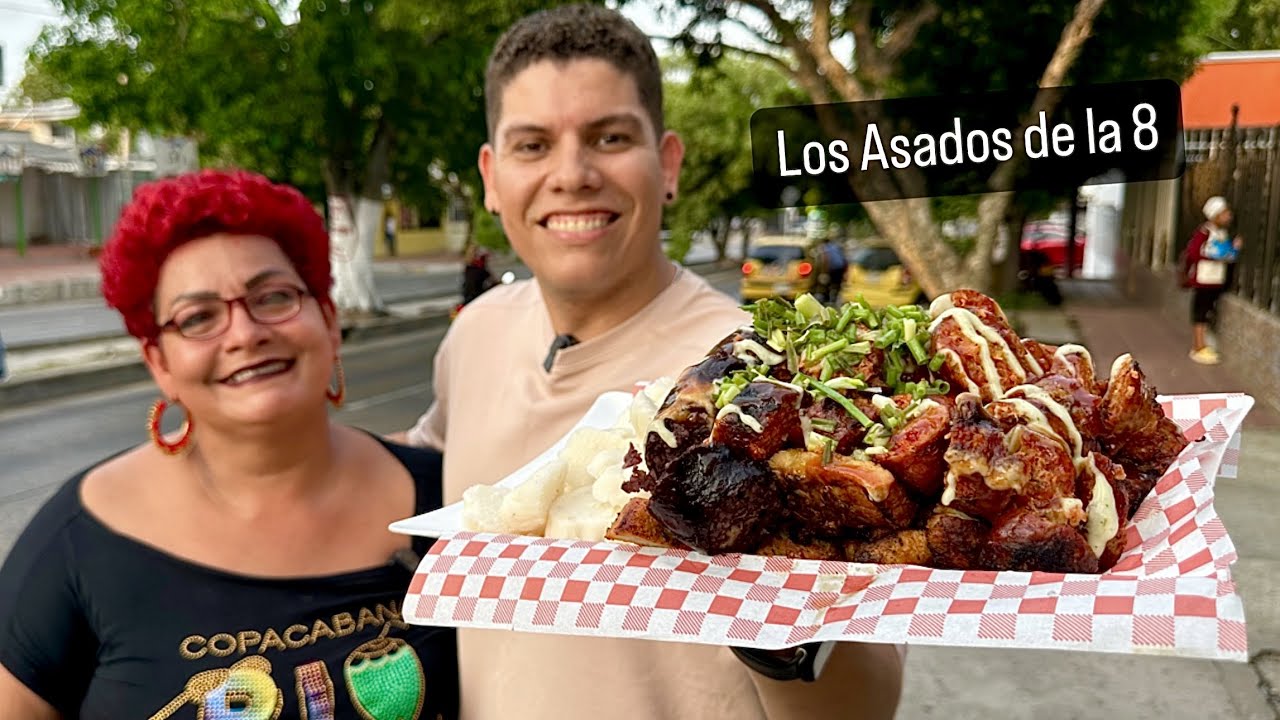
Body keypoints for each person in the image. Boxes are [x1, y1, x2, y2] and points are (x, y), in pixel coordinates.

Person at [400, 5, 904, 720]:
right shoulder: (473, 334)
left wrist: (787, 628)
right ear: (491, 176)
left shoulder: (771, 374)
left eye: (608, 137)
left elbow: (867, 704)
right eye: (532, 145)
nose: (570, 174)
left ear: (666, 164)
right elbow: (421, 462)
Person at [0, 170, 458, 719]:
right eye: (198, 318)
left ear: (330, 322)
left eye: (274, 297)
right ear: (160, 363)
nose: (244, 333)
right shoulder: (75, 544)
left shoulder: (445, 503)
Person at [1182, 195, 1242, 365]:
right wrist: (1213, 255)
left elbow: (1228, 254)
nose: (1228, 216)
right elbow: (1193, 252)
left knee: (1207, 311)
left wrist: (1233, 249)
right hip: (1204, 279)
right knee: (1200, 312)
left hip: (1216, 279)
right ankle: (1198, 346)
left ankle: (1204, 344)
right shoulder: (1205, 231)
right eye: (1225, 213)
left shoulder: (1221, 233)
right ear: (1215, 215)